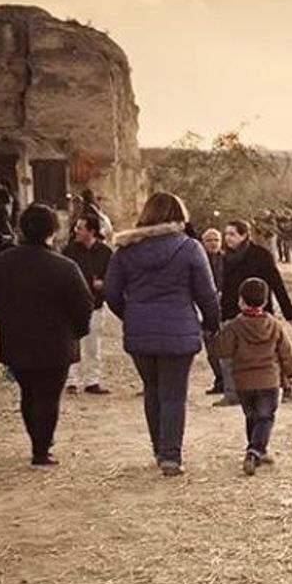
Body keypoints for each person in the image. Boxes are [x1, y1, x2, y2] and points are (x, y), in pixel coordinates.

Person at [104, 192, 222, 476]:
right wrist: (212, 323)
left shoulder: (126, 250)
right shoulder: (190, 249)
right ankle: (171, 456)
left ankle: (159, 448)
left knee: (152, 390)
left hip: (140, 332)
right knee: (173, 394)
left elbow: (110, 293)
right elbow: (206, 293)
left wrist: (132, 315)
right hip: (179, 330)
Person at [0, 205, 96, 465]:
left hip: (16, 339)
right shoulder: (65, 267)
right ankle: (41, 447)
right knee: (48, 396)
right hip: (55, 343)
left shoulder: (1, 263)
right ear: (53, 231)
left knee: (28, 393)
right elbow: (83, 305)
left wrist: (8, 322)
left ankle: (37, 439)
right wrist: (77, 332)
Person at [212, 277, 292, 475]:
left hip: (243, 381)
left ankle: (257, 448)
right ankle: (255, 450)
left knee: (252, 416)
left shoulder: (234, 326)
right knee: (265, 417)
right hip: (269, 380)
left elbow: (223, 351)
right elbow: (286, 353)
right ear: (265, 301)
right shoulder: (275, 325)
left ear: (241, 301)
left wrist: (219, 335)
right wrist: (289, 375)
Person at [215, 218, 292, 406]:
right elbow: (223, 287)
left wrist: (290, 314)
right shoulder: (224, 258)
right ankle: (232, 393)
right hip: (232, 312)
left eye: (232, 234)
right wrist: (220, 314)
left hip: (261, 312)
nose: (227, 238)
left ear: (244, 235)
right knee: (229, 353)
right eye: (226, 234)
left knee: (273, 354)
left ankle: (287, 386)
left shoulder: (261, 255)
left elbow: (277, 285)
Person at [62, 214, 114, 395]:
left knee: (93, 344)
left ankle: (92, 380)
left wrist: (103, 284)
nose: (77, 231)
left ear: (91, 231)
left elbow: (114, 278)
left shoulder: (106, 253)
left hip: (95, 304)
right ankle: (71, 381)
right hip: (72, 304)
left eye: (81, 228)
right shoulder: (69, 251)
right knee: (71, 342)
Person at [199, 227, 228, 395]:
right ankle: (219, 379)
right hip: (205, 307)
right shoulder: (199, 260)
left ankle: (226, 381)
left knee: (223, 347)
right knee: (211, 349)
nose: (213, 243)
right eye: (209, 240)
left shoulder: (228, 259)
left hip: (224, 306)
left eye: (216, 240)